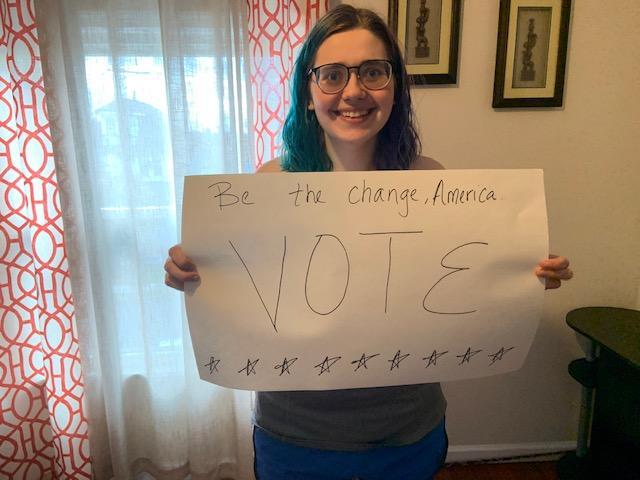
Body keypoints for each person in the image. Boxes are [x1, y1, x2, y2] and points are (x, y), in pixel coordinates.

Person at [164, 5, 573, 479]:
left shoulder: (430, 181)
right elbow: (244, 292)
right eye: (332, 75)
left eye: (373, 72)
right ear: (308, 89)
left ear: (395, 86)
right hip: (295, 435)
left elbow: (465, 286)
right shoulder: (270, 184)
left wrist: (527, 276)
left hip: (407, 430)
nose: (353, 92)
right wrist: (193, 273)